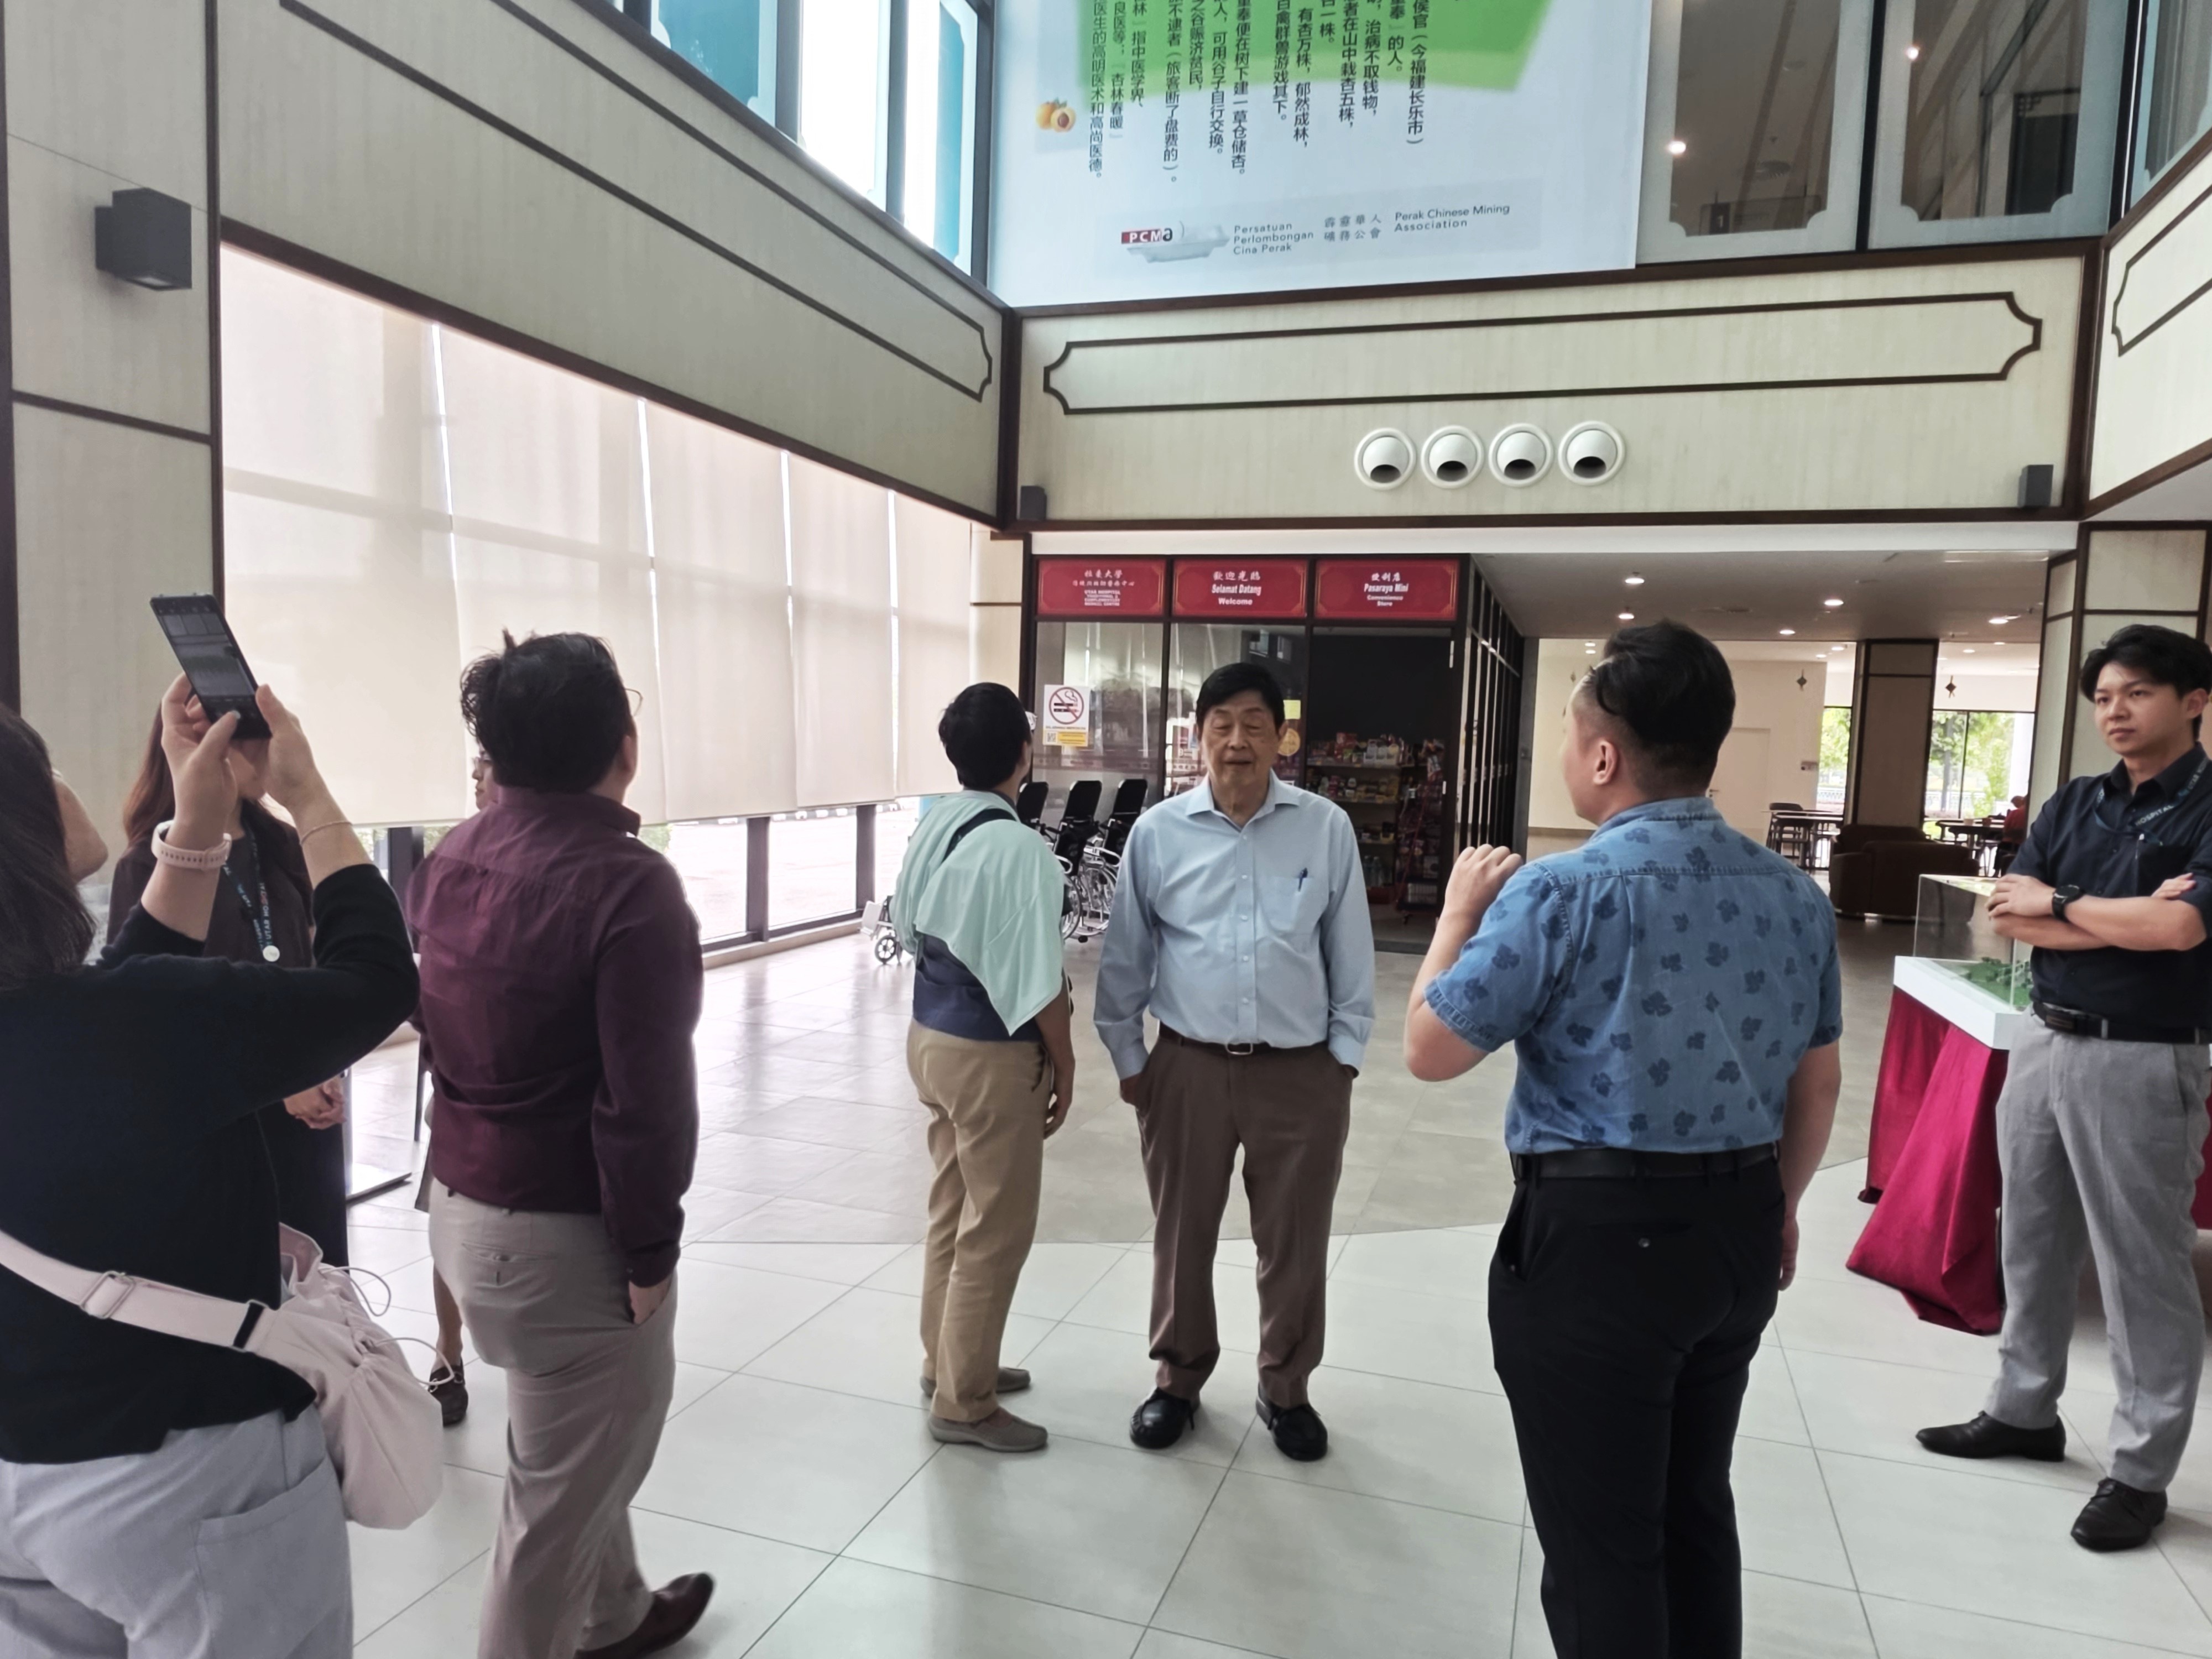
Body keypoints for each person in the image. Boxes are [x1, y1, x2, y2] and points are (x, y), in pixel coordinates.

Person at [1405, 620, 1842, 1659]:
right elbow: (1816, 1084)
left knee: (1603, 1546)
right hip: (1737, 1232)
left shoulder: (1561, 890)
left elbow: (1432, 1047)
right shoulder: (1792, 896)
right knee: (1696, 1509)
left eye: (1570, 732)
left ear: (1602, 756)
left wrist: (1455, 921)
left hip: (1599, 1249)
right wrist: (1777, 1209)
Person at [0, 679, 416, 1658]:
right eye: (46, 770)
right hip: (189, 1483)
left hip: (25, 1473)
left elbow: (127, 995)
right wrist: (307, 795)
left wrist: (198, 821)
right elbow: (374, 983)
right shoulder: (132, 1026)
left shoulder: (86, 1021)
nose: (68, 780)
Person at [410, 632, 712, 1659]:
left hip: (460, 1215)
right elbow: (647, 1107)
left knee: (564, 1450)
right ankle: (571, 1622)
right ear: (624, 748)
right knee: (548, 1514)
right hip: (566, 1239)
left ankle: (620, 1613)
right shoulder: (631, 889)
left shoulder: (451, 855)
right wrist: (651, 1253)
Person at [1918, 623, 2212, 1553]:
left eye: (2137, 694)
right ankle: (2023, 1409)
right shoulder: (2077, 800)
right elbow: (2011, 913)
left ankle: (2139, 1469)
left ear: (2195, 700)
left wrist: (2067, 908)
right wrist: (2110, 917)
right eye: (2103, 697)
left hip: (2145, 1053)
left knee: (2143, 1268)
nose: (2115, 712)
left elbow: (2181, 934)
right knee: (2032, 1239)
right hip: (2046, 1042)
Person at [1095, 660, 1375, 1462]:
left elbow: (1350, 954)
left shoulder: (1325, 829)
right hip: (1186, 1066)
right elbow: (1125, 961)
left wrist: (1341, 1062)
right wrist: (1130, 1059)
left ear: (1281, 738)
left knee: (1294, 1240)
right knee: (1181, 1235)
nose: (1238, 741)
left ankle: (1286, 1388)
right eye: (1221, 724)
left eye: (1255, 723)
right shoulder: (1158, 833)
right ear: (1196, 738)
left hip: (1301, 1071)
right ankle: (1176, 1380)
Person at [889, 684, 1076, 1453]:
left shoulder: (935, 828)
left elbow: (904, 927)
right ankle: (964, 1404)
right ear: (1024, 755)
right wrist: (1064, 1065)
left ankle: (948, 1362)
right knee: (997, 1226)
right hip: (993, 1054)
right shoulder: (1022, 849)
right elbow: (1038, 984)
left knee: (950, 1209)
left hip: (929, 1039)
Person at [108, 713, 352, 1265]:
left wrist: (321, 1064)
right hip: (223, 1112)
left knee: (322, 1284)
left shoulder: (285, 843)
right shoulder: (150, 861)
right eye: (247, 736)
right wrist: (278, 1080)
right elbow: (153, 1023)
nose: (263, 750)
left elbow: (319, 965)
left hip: (306, 1099)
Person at [416, 747, 497, 1430]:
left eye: (487, 766)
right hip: (457, 1078)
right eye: (470, 766)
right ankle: (449, 1354)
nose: (474, 776)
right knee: (445, 1222)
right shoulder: (454, 855)